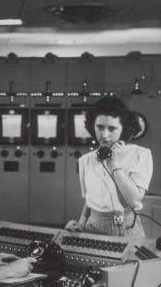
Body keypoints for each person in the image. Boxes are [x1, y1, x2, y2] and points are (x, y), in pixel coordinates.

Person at [65, 96, 153, 237]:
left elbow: (134, 200)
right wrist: (81, 223)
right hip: (92, 228)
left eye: (112, 129)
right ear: (92, 126)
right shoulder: (86, 160)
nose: (104, 135)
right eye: (100, 127)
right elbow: (90, 200)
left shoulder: (140, 155)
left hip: (126, 228)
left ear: (123, 129)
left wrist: (115, 165)